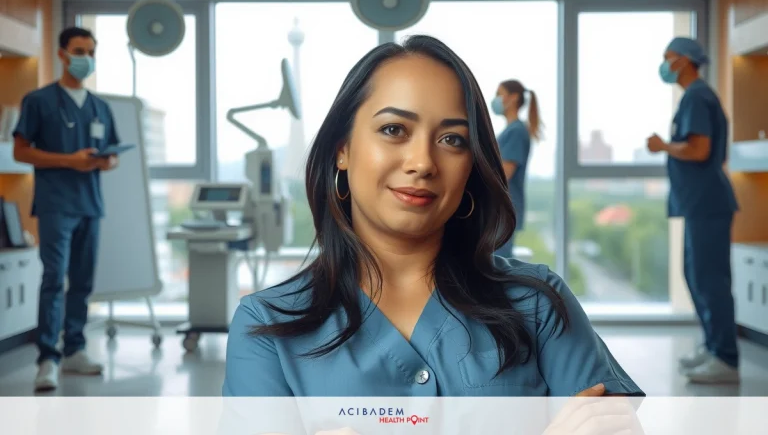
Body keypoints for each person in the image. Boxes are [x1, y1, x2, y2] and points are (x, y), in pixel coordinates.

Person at [223, 35, 643, 398]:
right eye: (393, 130)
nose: (423, 162)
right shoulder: (267, 329)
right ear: (342, 149)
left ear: (471, 165)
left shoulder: (539, 304)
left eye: (452, 139)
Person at [13, 27, 121, 392]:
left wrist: (107, 163)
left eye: (91, 51)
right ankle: (48, 357)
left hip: (90, 204)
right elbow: (20, 151)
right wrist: (68, 161)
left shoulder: (100, 107)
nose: (85, 58)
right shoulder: (38, 101)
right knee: (54, 279)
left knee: (83, 282)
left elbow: (113, 153)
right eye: (79, 50)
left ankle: (75, 348)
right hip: (56, 204)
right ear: (61, 54)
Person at [647, 36, 740, 384]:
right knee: (695, 275)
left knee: (710, 279)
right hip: (699, 203)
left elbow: (700, 150)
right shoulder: (694, 97)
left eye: (667, 57)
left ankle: (726, 357)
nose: (664, 64)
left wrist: (663, 146)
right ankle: (713, 346)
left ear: (685, 60)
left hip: (708, 203)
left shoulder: (698, 96)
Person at [491, 80, 542, 258]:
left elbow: (504, 174)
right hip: (501, 210)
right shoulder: (511, 130)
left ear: (513, 98)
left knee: (496, 266)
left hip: (503, 210)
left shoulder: (516, 132)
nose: (496, 99)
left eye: (500, 93)